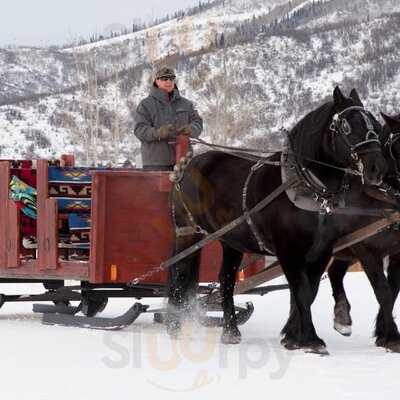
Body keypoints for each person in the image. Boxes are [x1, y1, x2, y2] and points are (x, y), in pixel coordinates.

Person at [134, 67, 203, 171]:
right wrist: (157, 133)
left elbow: (197, 123)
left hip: (184, 161)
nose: (168, 81)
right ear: (157, 81)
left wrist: (191, 129)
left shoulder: (186, 104)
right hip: (156, 163)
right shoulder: (145, 105)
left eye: (171, 79)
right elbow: (139, 130)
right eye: (164, 79)